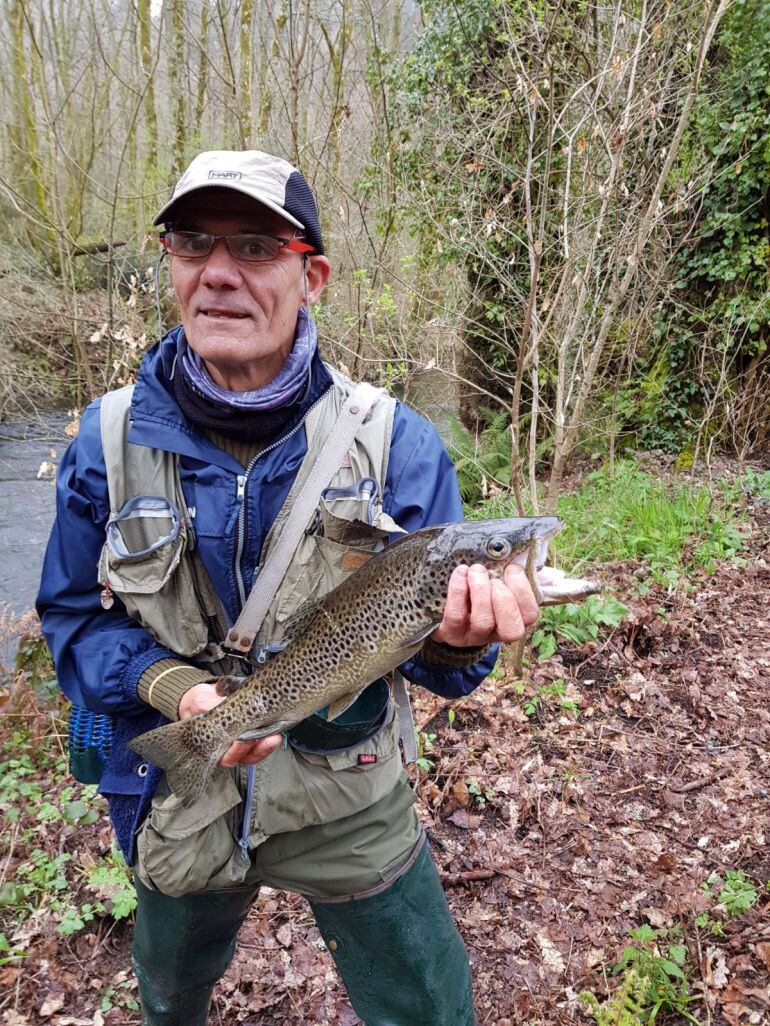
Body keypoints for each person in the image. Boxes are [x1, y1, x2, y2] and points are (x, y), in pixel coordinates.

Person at [37, 150, 540, 1026]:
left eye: (256, 247)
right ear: (170, 261)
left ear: (313, 276)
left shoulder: (396, 442)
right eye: (194, 242)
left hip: (351, 790)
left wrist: (463, 640)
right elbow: (73, 621)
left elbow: (450, 670)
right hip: (179, 795)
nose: (219, 273)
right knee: (168, 994)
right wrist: (175, 693)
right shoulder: (104, 443)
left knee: (429, 1005)